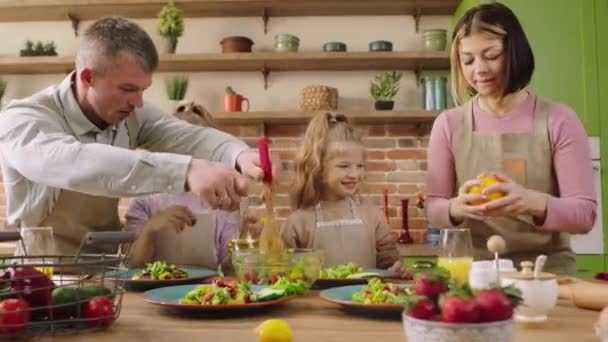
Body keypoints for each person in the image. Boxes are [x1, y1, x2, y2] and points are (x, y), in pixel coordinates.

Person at [0, 17, 264, 256]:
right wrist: (186, 171)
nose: (138, 102)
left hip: (108, 276)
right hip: (41, 277)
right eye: (128, 89)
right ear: (88, 77)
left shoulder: (132, 114)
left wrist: (237, 153)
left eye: (143, 90)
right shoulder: (22, 119)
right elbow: (75, 163)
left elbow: (186, 136)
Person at [425, 2, 596, 275]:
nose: (479, 69)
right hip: (474, 273)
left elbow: (585, 216)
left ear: (514, 51)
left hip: (547, 273)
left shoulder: (558, 119)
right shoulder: (448, 124)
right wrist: (456, 208)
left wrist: (530, 201)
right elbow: (433, 208)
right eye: (467, 60)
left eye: (491, 55)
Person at [126, 101, 261, 269]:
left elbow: (228, 269)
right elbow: (131, 264)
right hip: (149, 293)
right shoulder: (145, 200)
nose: (187, 161)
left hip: (205, 291)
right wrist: (151, 229)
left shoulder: (222, 203)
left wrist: (246, 239)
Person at [281, 112, 409, 277]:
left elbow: (388, 260)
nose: (355, 174)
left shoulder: (372, 214)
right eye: (344, 166)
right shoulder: (298, 222)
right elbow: (284, 272)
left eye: (360, 166)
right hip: (316, 302)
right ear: (318, 168)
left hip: (364, 300)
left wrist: (396, 268)